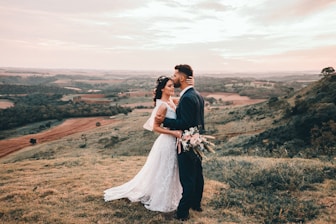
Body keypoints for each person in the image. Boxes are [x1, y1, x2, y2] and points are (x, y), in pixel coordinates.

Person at [104, 76, 183, 212]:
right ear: (162, 88)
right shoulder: (162, 106)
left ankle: (173, 196)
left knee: (171, 169)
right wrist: (174, 133)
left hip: (173, 141)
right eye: (169, 86)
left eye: (172, 86)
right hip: (167, 141)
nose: (172, 88)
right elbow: (155, 127)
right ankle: (162, 199)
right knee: (165, 170)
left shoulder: (170, 101)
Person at [161, 64, 205, 221]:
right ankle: (196, 204)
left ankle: (182, 213)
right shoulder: (196, 94)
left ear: (181, 77)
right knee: (197, 174)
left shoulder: (186, 98)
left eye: (174, 76)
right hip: (197, 141)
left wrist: (164, 120)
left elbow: (185, 123)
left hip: (187, 142)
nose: (173, 78)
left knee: (187, 178)